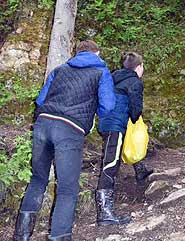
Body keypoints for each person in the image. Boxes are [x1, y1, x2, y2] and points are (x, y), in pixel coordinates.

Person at [13, 40, 116, 241]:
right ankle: (59, 236)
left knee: (37, 179)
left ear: (76, 53)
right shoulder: (101, 72)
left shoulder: (60, 69)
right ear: (97, 52)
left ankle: (21, 235)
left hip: (43, 125)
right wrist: (94, 117)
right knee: (67, 189)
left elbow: (41, 100)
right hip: (69, 130)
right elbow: (109, 105)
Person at [96, 52, 153, 226]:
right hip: (115, 125)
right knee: (111, 164)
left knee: (125, 146)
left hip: (106, 122)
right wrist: (135, 118)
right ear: (139, 67)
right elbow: (136, 109)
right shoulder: (135, 81)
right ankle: (105, 213)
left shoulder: (113, 77)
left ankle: (140, 170)